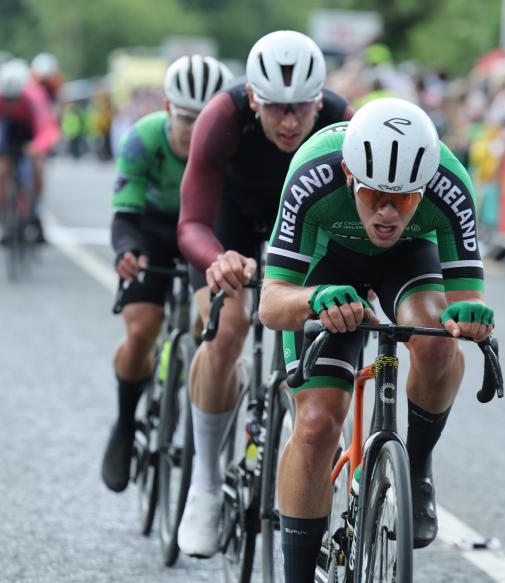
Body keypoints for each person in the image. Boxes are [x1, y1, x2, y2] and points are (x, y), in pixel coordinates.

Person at [257, 97, 495, 583]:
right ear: (348, 175)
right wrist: (317, 298)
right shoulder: (312, 171)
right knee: (318, 424)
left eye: (404, 199)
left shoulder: (450, 185)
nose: (386, 212)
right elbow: (270, 304)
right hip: (326, 268)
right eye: (372, 196)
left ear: (424, 185)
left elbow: (462, 303)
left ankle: (418, 468)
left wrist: (471, 320)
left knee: (436, 340)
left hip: (408, 259)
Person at [175, 30, 354, 558]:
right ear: (253, 98)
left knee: (317, 321)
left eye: (301, 108)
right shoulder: (221, 117)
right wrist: (218, 259)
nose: (291, 122)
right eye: (276, 108)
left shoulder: (347, 122)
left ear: (319, 100)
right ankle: (204, 482)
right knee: (227, 327)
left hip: (305, 236)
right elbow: (191, 224)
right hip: (233, 227)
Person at [100, 55, 233, 494]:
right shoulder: (142, 138)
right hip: (152, 230)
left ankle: (196, 386)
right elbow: (124, 216)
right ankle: (124, 423)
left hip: (206, 232)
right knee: (142, 329)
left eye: (206, 118)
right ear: (166, 108)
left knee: (211, 329)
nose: (196, 130)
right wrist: (127, 251)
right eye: (186, 118)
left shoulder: (230, 145)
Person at [0, 58, 60, 242]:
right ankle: (6, 217)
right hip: (8, 132)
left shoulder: (34, 95)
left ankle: (34, 206)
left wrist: (37, 147)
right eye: (7, 99)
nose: (11, 103)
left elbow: (47, 128)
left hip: (30, 131)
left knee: (37, 165)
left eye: (15, 99)